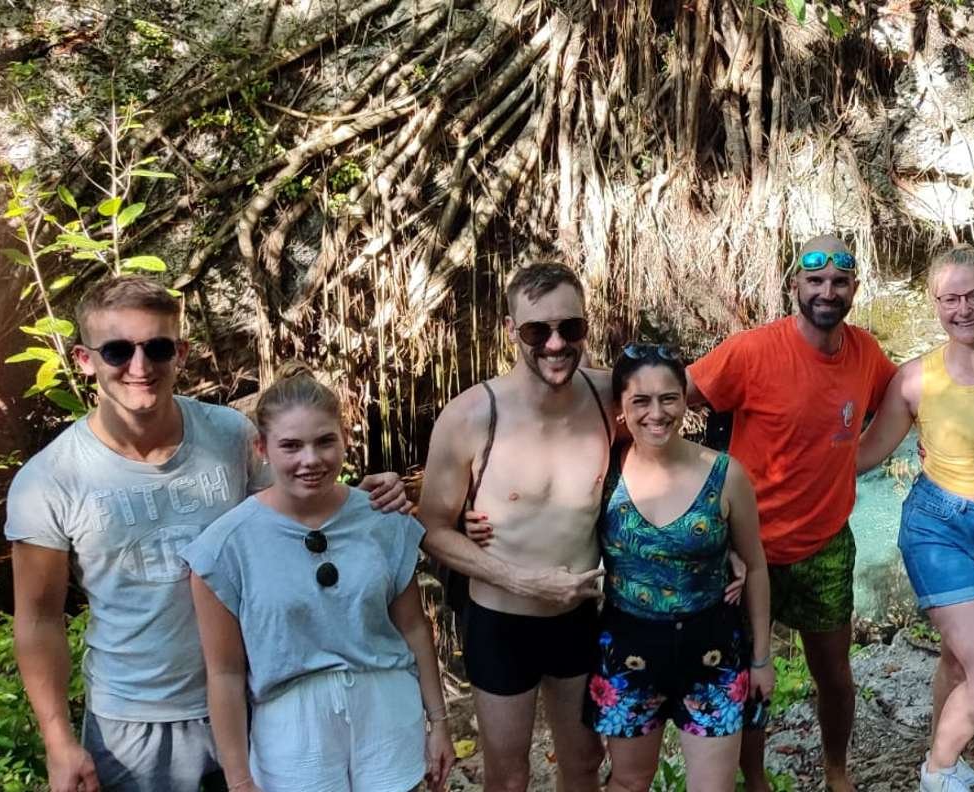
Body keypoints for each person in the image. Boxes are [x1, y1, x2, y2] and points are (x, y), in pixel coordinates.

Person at [5, 275, 408, 792]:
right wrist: (58, 740)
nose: (139, 367)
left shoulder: (230, 435)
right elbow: (39, 619)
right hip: (136, 722)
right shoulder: (50, 479)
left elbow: (295, 516)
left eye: (157, 348)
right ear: (85, 359)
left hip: (256, 696)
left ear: (181, 352)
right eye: (117, 351)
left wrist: (367, 499)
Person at [687, 234, 899, 792]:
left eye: (839, 282)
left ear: (854, 288)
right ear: (794, 287)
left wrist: (862, 457)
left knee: (835, 673)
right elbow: (664, 397)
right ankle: (755, 780)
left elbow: (905, 395)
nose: (827, 292)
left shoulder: (866, 353)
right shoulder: (751, 351)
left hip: (824, 544)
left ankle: (836, 772)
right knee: (745, 676)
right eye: (815, 281)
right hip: (744, 548)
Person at [181, 365, 456, 791]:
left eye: (325, 441)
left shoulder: (383, 520)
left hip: (388, 717)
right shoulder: (224, 549)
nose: (310, 460)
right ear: (262, 448)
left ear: (344, 438)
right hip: (292, 736)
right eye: (291, 446)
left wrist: (438, 722)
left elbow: (414, 629)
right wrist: (239, 780)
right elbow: (224, 674)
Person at [856, 246, 974, 791]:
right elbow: (863, 456)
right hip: (936, 526)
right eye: (950, 299)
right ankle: (937, 773)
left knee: (959, 659)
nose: (963, 309)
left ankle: (947, 755)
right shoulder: (915, 379)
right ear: (934, 304)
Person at [416, 262, 612, 792]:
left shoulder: (608, 395)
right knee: (507, 775)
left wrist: (726, 537)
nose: (555, 344)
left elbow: (679, 413)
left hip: (578, 617)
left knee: (584, 761)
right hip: (501, 622)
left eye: (570, 327)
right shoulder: (470, 416)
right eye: (536, 331)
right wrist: (523, 580)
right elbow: (432, 529)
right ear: (510, 330)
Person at [586, 344, 774, 792]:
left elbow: (755, 566)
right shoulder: (603, 471)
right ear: (620, 408)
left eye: (669, 398)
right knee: (629, 782)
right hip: (628, 650)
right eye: (640, 400)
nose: (657, 413)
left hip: (713, 649)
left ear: (685, 400)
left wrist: (762, 658)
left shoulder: (725, 474)